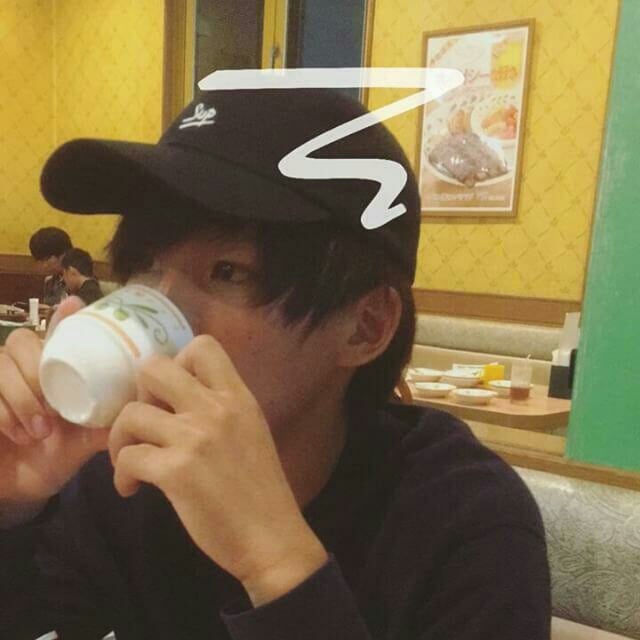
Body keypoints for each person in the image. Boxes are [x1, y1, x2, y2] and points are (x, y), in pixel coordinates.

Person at [0, 89, 551, 639]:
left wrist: (275, 565)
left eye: (227, 272)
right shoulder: (119, 476)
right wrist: (13, 503)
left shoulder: (464, 521)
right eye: (144, 263)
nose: (161, 306)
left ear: (366, 326)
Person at [28, 226, 73, 306]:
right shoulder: (50, 281)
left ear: (63, 255)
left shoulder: (81, 282)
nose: (44, 265)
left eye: (47, 259)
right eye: (40, 261)